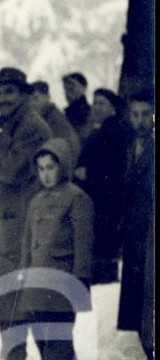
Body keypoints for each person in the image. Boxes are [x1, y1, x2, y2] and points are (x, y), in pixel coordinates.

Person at [0, 67, 52, 360]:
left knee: (28, 289)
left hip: (26, 223)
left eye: (9, 92)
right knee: (14, 290)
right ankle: (16, 353)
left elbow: (11, 170)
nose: (2, 98)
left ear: (23, 94)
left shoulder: (30, 126)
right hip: (14, 221)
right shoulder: (12, 125)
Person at [17, 138, 93, 360]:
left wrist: (80, 280)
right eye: (41, 169)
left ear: (63, 166)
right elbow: (28, 243)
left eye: (51, 167)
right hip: (36, 281)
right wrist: (23, 273)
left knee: (59, 335)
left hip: (62, 278)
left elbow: (83, 243)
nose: (46, 174)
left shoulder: (76, 198)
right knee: (41, 335)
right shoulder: (36, 201)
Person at [74, 88, 128, 283]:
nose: (96, 107)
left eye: (101, 103)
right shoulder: (99, 130)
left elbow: (115, 167)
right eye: (95, 102)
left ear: (113, 109)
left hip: (106, 198)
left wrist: (89, 174)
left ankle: (104, 282)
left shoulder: (113, 131)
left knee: (104, 244)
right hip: (99, 197)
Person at [116, 95, 154, 360]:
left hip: (150, 226)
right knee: (137, 286)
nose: (140, 120)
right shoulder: (130, 145)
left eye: (145, 114)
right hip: (134, 227)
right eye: (135, 114)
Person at [30, 81, 81, 159]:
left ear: (47, 97)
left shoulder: (55, 120)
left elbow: (66, 150)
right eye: (30, 101)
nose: (32, 103)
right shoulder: (45, 118)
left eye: (36, 98)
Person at [61, 72, 94, 149]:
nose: (67, 93)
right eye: (65, 89)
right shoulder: (67, 114)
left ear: (83, 88)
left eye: (72, 88)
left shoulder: (91, 114)